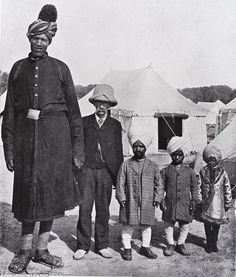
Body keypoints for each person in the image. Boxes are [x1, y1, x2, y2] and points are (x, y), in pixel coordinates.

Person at [2, 5, 84, 273]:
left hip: (56, 144)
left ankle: (41, 250)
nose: (39, 42)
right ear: (29, 39)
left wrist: (77, 151)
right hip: (26, 144)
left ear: (50, 41)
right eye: (35, 38)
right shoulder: (17, 69)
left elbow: (74, 112)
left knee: (49, 197)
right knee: (27, 197)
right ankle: (24, 251)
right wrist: (9, 149)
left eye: (44, 39)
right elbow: (10, 114)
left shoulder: (61, 69)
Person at [74, 84, 123, 260]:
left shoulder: (115, 125)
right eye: (98, 103)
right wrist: (77, 168)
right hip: (86, 171)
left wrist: (118, 178)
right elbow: (77, 147)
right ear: (94, 104)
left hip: (105, 173)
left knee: (103, 210)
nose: (101, 107)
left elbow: (118, 152)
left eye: (105, 103)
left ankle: (102, 245)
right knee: (84, 209)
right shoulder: (84, 122)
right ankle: (82, 245)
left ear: (110, 106)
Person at [116, 127, 164, 261]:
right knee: (128, 225)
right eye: (135, 146)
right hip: (130, 200)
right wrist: (121, 197)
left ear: (145, 148)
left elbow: (159, 184)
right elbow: (120, 182)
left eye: (141, 146)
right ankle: (127, 249)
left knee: (146, 225)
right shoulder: (125, 165)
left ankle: (145, 247)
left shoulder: (153, 165)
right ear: (132, 147)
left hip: (147, 201)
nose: (138, 149)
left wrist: (158, 197)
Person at [160, 136, 198, 256]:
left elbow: (194, 187)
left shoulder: (190, 171)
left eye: (180, 155)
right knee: (168, 223)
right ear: (171, 155)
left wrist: (194, 200)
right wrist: (161, 199)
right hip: (170, 202)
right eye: (174, 154)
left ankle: (180, 244)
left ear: (184, 155)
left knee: (185, 224)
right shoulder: (165, 171)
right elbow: (160, 187)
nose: (177, 157)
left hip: (185, 203)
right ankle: (170, 243)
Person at [198, 145, 232, 253]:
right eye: (210, 160)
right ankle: (208, 243)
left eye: (214, 160)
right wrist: (199, 199)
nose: (211, 162)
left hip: (218, 203)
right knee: (207, 224)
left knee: (216, 225)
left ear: (217, 160)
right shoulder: (203, 171)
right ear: (207, 160)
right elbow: (199, 186)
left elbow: (227, 187)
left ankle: (214, 243)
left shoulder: (223, 172)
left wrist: (228, 202)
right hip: (206, 203)